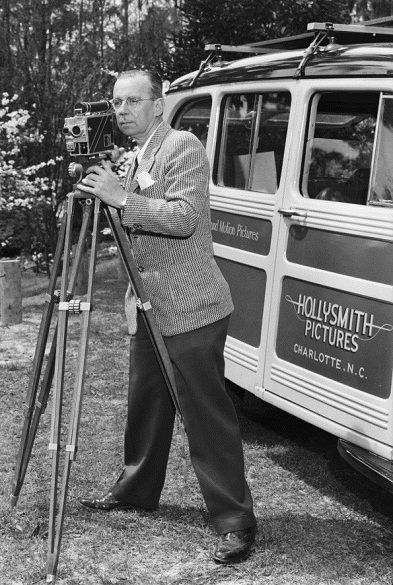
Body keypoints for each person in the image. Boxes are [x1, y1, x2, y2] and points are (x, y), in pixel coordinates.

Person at [77, 69, 257, 564]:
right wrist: (98, 197)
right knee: (148, 406)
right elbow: (132, 215)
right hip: (149, 305)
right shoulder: (131, 156)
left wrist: (121, 197)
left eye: (133, 101)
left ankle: (234, 521)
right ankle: (136, 490)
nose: (122, 110)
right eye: (116, 103)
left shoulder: (181, 145)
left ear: (160, 104)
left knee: (205, 416)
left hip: (190, 306)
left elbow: (183, 218)